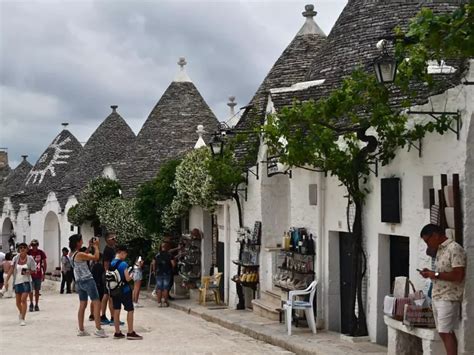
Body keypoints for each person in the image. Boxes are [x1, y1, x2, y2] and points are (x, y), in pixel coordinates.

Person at [419, 224, 466, 355]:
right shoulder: (440, 250)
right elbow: (442, 272)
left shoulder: (454, 249)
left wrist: (435, 275)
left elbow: (458, 275)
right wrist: (431, 273)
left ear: (435, 235)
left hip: (449, 297)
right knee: (444, 332)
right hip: (437, 295)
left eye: (427, 241)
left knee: (445, 332)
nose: (427, 245)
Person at [69, 234, 108, 338]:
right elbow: (96, 257)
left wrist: (90, 246)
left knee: (82, 304)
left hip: (79, 281)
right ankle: (98, 329)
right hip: (88, 280)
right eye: (81, 240)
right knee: (96, 302)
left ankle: (81, 330)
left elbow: (83, 256)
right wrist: (96, 247)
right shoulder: (79, 254)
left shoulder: (71, 254)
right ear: (77, 242)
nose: (82, 241)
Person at [110, 244, 142, 340]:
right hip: (124, 290)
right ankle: (130, 332)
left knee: (116, 310)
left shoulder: (112, 263)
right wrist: (132, 273)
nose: (125, 256)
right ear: (122, 253)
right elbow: (127, 279)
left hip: (114, 290)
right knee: (130, 310)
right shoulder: (123, 264)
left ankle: (117, 332)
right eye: (125, 254)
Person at [4, 243, 36, 325]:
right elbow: (11, 269)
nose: (22, 249)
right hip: (17, 281)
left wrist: (28, 271)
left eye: (24, 247)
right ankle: (21, 313)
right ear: (18, 249)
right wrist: (6, 280)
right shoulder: (15, 258)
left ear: (27, 249)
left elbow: (34, 270)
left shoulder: (30, 259)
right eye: (20, 247)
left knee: (23, 300)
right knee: (17, 302)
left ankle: (22, 319)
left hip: (26, 281)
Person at [100, 232, 117, 325]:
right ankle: (112, 317)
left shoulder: (112, 249)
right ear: (107, 240)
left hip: (110, 274)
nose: (115, 240)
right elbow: (106, 264)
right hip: (109, 275)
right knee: (110, 296)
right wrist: (108, 275)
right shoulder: (107, 250)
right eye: (112, 238)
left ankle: (107, 316)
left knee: (107, 295)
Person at [27, 239, 47, 312]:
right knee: (30, 290)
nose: (34, 247)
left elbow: (44, 263)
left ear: (37, 245)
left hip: (38, 274)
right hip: (30, 274)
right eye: (32, 245)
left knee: (37, 290)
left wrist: (44, 273)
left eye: (35, 245)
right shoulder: (29, 252)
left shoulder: (41, 252)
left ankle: (36, 304)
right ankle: (31, 303)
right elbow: (22, 252)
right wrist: (28, 246)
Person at [154, 243, 175, 307]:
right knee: (165, 288)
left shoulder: (157, 255)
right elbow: (173, 264)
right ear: (167, 247)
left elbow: (153, 264)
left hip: (159, 273)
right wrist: (171, 269)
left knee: (159, 288)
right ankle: (165, 302)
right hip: (167, 273)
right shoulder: (169, 255)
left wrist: (154, 271)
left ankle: (159, 303)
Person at [89, 254, 105, 321]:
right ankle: (97, 315)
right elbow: (103, 277)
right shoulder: (101, 267)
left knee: (93, 300)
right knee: (99, 301)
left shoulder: (93, 266)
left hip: (93, 284)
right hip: (100, 285)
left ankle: (91, 315)